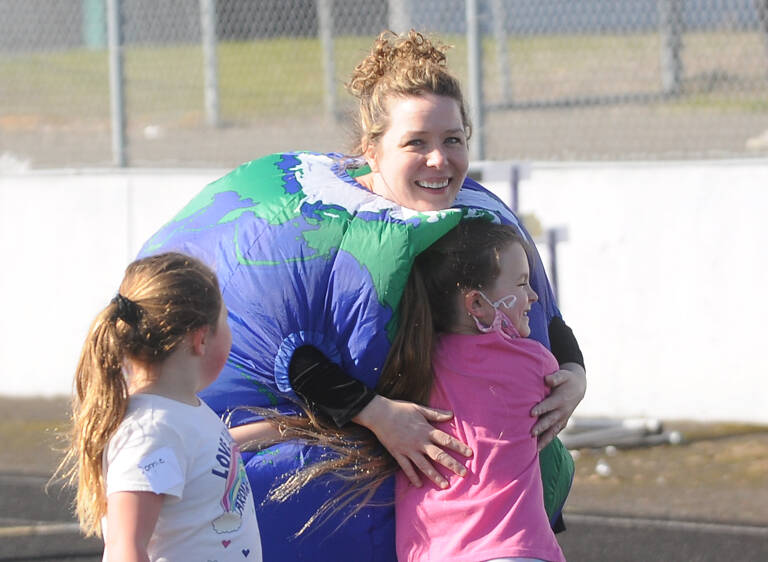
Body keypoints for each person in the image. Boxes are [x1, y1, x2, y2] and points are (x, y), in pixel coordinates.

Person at [140, 30, 585, 561]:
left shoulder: (482, 223)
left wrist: (573, 375)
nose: (439, 160)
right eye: (416, 143)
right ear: (371, 151)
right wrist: (379, 415)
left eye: (453, 140)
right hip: (326, 465)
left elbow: (545, 314)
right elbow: (296, 360)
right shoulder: (316, 232)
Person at [54, 252, 262, 562]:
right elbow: (126, 547)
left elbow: (204, 458)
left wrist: (282, 431)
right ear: (201, 339)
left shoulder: (178, 413)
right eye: (225, 319)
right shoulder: (150, 431)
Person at [393, 219, 567, 562]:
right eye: (521, 283)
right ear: (476, 305)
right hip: (513, 549)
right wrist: (576, 375)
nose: (532, 295)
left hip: (431, 552)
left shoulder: (411, 363)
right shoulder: (535, 363)